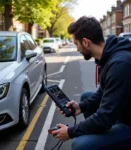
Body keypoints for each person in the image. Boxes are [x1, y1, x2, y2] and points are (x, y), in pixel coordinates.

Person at [51, 16, 131, 150]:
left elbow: (105, 118)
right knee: (87, 97)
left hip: (128, 122)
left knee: (80, 145)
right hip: (122, 111)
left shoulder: (120, 65)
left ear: (86, 42)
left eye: (77, 44)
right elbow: (102, 91)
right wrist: (80, 107)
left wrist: (70, 132)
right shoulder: (108, 56)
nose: (77, 49)